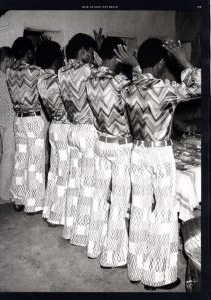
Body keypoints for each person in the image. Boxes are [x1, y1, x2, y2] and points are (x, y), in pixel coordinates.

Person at [114, 38, 201, 289]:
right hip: (160, 154)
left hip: (137, 152)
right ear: (162, 62)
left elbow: (137, 83)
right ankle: (159, 276)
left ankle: (137, 267)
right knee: (164, 212)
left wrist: (134, 68)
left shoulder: (127, 88)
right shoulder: (166, 88)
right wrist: (184, 61)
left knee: (140, 208)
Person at [85, 37, 141, 268]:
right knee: (118, 201)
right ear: (119, 53)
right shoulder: (120, 81)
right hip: (120, 146)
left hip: (101, 142)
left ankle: (94, 246)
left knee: (99, 197)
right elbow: (142, 96)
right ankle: (113, 255)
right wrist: (136, 65)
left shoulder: (90, 78)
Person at [58, 33, 98, 246]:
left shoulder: (61, 71)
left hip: (72, 130)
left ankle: (70, 228)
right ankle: (84, 234)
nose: (92, 57)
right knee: (89, 184)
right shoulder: (88, 71)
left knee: (74, 182)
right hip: (89, 131)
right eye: (90, 52)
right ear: (82, 51)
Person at [7, 37, 45, 213]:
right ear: (29, 52)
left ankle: (18, 199)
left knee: (20, 159)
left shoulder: (9, 71)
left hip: (18, 120)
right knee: (35, 161)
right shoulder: (36, 71)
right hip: (33, 119)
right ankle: (34, 203)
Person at [36, 40, 70, 225]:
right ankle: (58, 214)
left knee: (55, 171)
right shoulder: (58, 79)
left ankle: (50, 210)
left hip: (53, 127)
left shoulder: (41, 79)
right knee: (64, 172)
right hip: (64, 128)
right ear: (55, 58)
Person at [0, 47, 15, 203]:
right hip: (9, 121)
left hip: (1, 121)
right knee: (8, 157)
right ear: (7, 60)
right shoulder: (5, 79)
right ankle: (4, 193)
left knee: (4, 155)